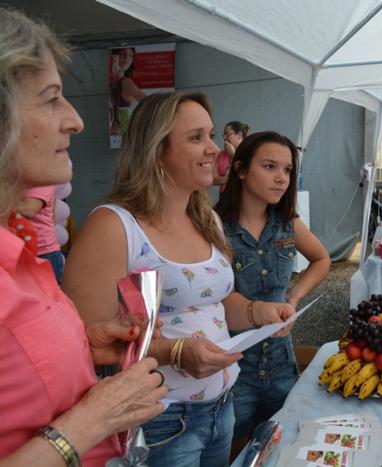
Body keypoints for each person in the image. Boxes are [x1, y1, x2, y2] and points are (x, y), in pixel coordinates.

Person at [63, 93, 295, 467]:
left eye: (212, 134)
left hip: (222, 408)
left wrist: (259, 311)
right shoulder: (114, 226)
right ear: (156, 150)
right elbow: (82, 341)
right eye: (196, 137)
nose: (215, 148)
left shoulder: (207, 219)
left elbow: (216, 303)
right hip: (159, 418)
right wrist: (173, 352)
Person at [0, 7, 166, 466]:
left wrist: (82, 344)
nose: (76, 120)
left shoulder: (18, 250)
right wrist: (94, 419)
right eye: (52, 99)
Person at [214, 131, 331, 454]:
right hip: (233, 366)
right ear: (240, 170)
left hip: (281, 360)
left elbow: (322, 260)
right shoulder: (215, 226)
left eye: (287, 170)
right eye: (269, 166)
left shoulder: (287, 222)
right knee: (233, 452)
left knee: (279, 447)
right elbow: (216, 299)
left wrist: (292, 299)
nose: (281, 178)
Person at [16, 186, 64, 282]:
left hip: (42, 253)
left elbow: (29, 209)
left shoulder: (41, 183)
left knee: (43, 295)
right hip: (22, 250)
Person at [109, 47, 146, 138]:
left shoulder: (126, 82)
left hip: (122, 131)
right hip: (111, 131)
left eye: (130, 56)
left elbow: (146, 100)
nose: (127, 58)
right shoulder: (110, 84)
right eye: (123, 54)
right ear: (114, 57)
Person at [213, 121, 250, 194]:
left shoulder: (249, 152)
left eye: (227, 134)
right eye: (224, 135)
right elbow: (213, 179)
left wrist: (233, 155)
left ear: (239, 135)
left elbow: (248, 175)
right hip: (225, 196)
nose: (224, 138)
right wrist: (236, 176)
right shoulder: (221, 155)